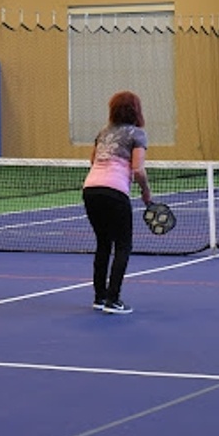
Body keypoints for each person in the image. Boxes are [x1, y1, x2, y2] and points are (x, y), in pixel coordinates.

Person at [82, 91, 152, 315]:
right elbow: (138, 169)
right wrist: (146, 192)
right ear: (136, 110)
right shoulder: (137, 134)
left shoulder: (103, 133)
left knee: (103, 243)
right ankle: (113, 299)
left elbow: (93, 160)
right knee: (123, 245)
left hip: (91, 190)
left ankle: (99, 297)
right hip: (115, 191)